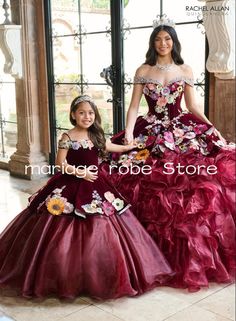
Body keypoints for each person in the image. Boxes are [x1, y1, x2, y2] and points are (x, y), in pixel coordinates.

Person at [101, 15, 236, 292]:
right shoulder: (143, 69)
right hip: (149, 129)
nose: (163, 43)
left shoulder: (185, 69)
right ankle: (139, 250)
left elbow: (193, 106)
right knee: (140, 180)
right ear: (153, 43)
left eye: (167, 39)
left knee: (194, 185)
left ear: (174, 42)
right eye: (158, 39)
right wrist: (128, 134)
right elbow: (133, 106)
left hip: (180, 130)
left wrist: (213, 129)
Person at [0, 95, 174, 300]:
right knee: (60, 224)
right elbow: (60, 165)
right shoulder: (67, 137)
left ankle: (99, 271)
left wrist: (129, 147)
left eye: (90, 113)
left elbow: (110, 147)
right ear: (73, 115)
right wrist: (81, 173)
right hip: (70, 183)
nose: (87, 116)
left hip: (96, 184)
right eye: (82, 112)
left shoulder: (96, 135)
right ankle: (65, 273)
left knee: (103, 222)